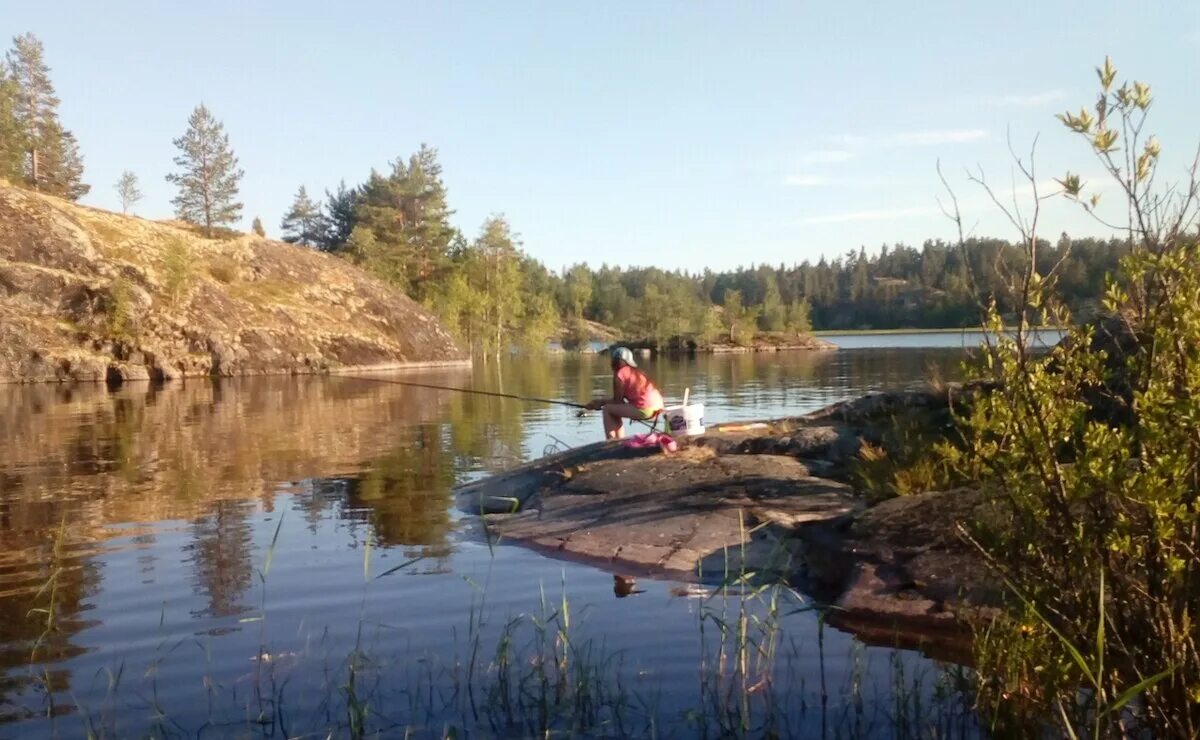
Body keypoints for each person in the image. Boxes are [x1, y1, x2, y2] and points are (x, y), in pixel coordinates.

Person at [585, 346, 664, 440]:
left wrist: (598, 402)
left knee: (607, 409)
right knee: (613, 410)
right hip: (658, 407)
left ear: (617, 361)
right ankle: (619, 441)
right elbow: (620, 403)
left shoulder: (620, 374)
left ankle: (611, 441)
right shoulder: (637, 372)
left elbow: (617, 401)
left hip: (645, 409)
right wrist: (599, 402)